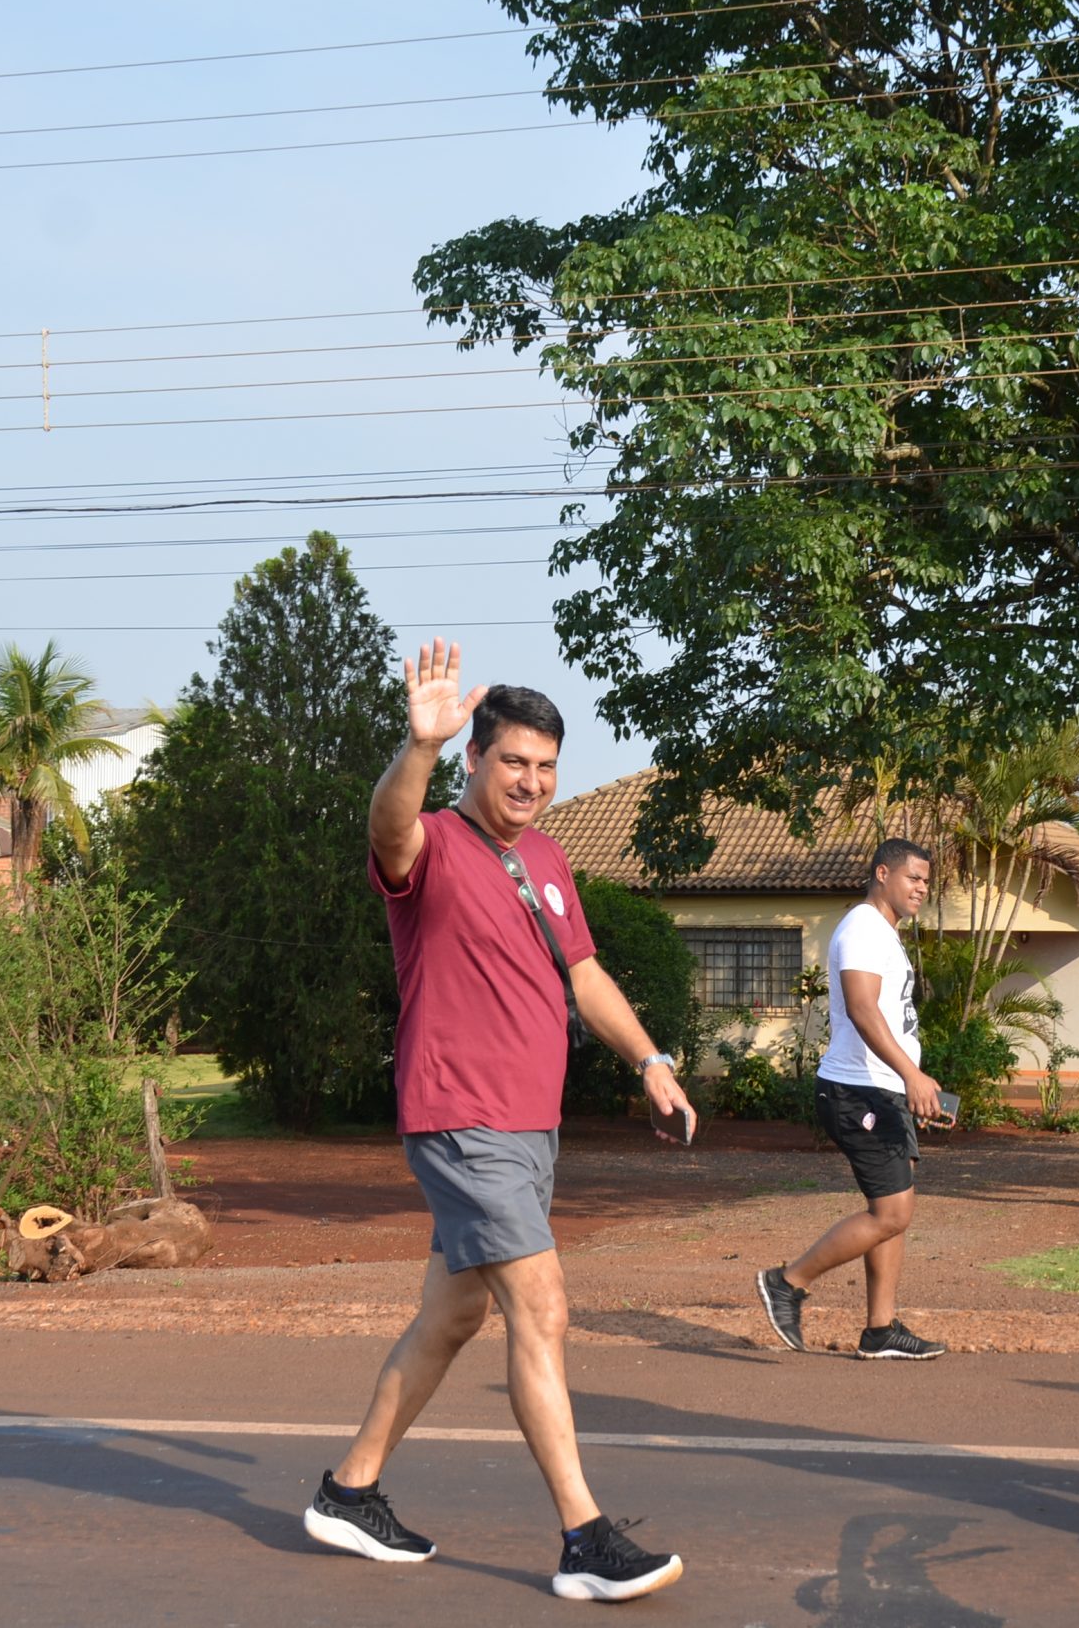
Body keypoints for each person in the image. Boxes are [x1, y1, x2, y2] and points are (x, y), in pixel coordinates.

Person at [303, 641, 696, 1603]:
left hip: (527, 1126)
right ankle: (583, 1537)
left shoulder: (550, 857)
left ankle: (349, 1491)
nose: (530, 781)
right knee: (542, 1305)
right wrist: (416, 748)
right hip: (460, 1113)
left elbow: (585, 976)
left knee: (454, 1313)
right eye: (512, 761)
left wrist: (648, 1062)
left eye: (546, 766)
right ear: (475, 758)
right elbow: (387, 826)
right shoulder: (431, 840)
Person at [756, 838, 948, 1362]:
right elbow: (863, 1009)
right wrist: (911, 1074)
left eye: (926, 882)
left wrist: (908, 1083)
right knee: (891, 1213)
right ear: (882, 874)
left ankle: (881, 1330)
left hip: (881, 1088)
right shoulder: (864, 927)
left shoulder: (881, 932)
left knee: (895, 1205)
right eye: (913, 878)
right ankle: (787, 1282)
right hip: (857, 1089)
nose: (921, 889)